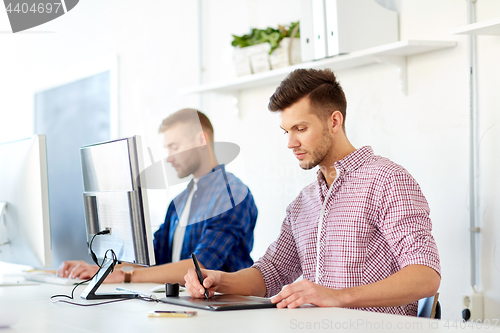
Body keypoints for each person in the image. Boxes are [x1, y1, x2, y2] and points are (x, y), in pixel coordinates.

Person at [184, 69, 441, 316]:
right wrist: (219, 279)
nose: (290, 143)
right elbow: (272, 271)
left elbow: (425, 274)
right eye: (287, 131)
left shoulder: (387, 180)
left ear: (334, 121)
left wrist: (338, 296)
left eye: (301, 129)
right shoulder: (303, 202)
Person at [58, 108, 258, 284]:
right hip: (184, 308)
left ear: (201, 140)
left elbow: (201, 265)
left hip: (223, 315)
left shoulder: (231, 194)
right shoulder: (179, 201)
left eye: (175, 146)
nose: (169, 157)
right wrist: (100, 269)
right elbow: (153, 257)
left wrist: (125, 276)